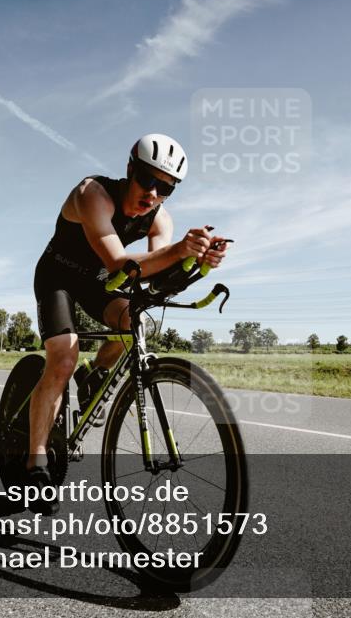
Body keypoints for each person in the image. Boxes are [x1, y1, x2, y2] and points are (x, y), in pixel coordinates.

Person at [29, 133, 228, 493]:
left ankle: (96, 374)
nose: (152, 194)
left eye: (166, 188)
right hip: (58, 274)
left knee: (133, 323)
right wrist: (181, 250)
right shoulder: (93, 194)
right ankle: (36, 461)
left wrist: (196, 261)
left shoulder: (159, 219)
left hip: (99, 282)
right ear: (129, 170)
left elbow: (154, 274)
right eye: (148, 180)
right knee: (63, 358)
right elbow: (119, 261)